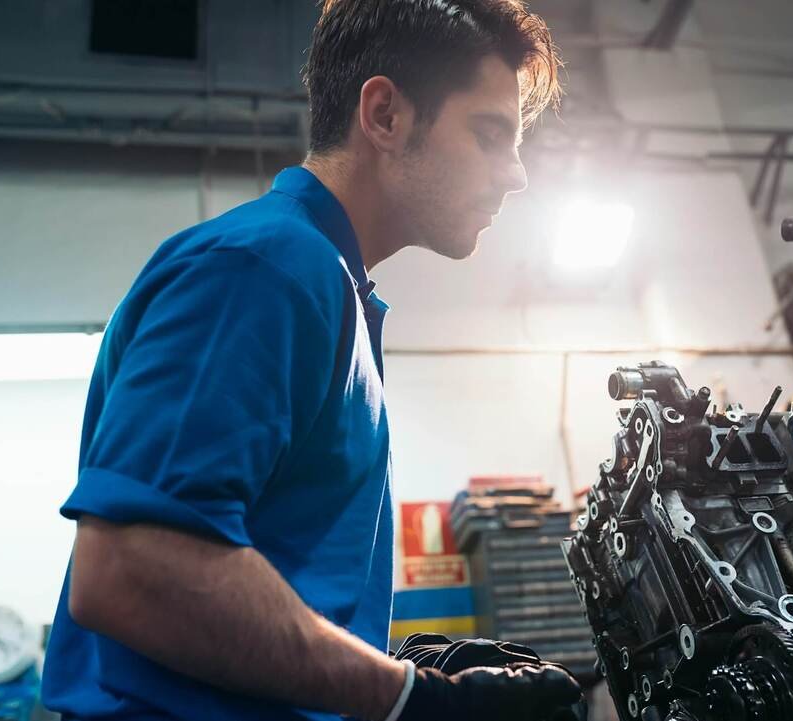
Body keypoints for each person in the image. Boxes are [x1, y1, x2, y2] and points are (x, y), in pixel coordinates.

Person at [40, 1, 581, 720]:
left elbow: (268, 568)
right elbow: (134, 568)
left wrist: (386, 658)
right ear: (385, 114)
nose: (514, 175)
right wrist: (405, 697)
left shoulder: (330, 286)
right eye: (489, 136)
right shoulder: (266, 268)